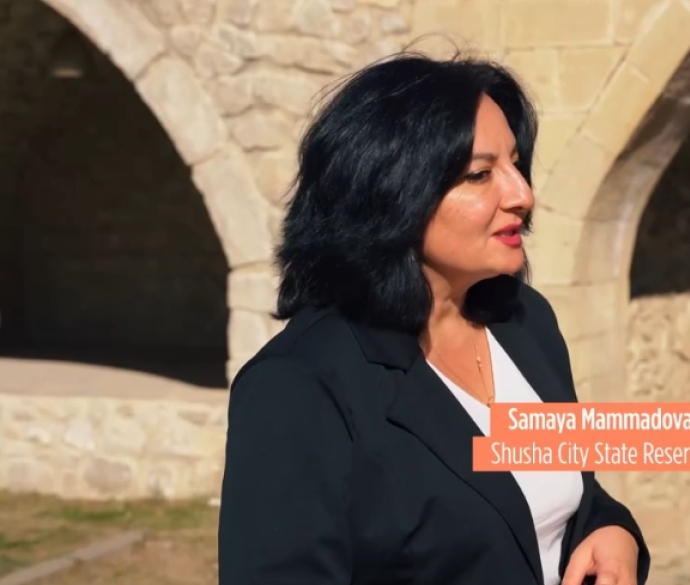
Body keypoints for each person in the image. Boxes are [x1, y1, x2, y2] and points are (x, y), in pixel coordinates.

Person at [216, 50, 650, 585]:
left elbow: (561, 496)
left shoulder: (522, 322)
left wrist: (614, 531)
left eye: (516, 165)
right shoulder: (298, 388)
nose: (523, 194)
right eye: (480, 174)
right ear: (391, 192)